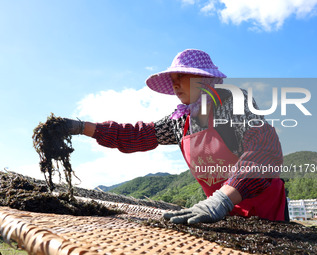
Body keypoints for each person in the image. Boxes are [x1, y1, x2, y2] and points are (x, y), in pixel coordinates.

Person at [62, 49, 288, 224]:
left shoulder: (232, 104)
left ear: (203, 78)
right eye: (173, 78)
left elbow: (264, 152)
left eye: (181, 76)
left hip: (263, 207)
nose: (175, 84)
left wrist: (223, 199)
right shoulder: (181, 120)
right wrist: (82, 127)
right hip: (217, 213)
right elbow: (138, 135)